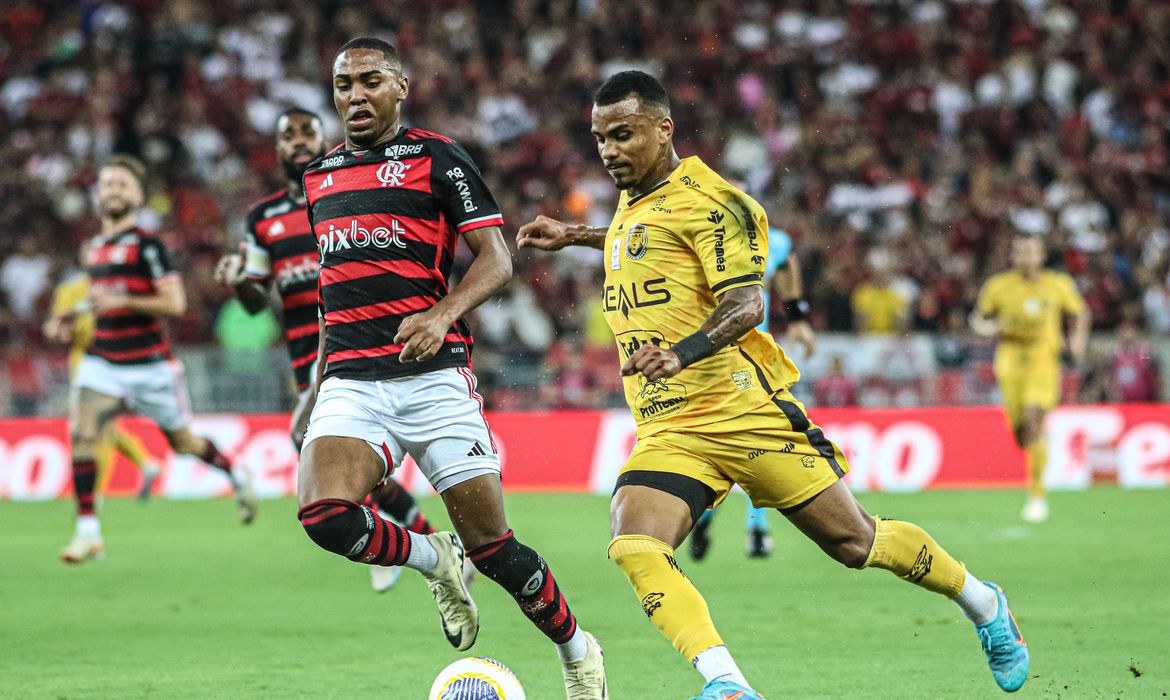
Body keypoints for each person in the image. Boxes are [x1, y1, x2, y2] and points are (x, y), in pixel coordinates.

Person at [517, 70, 1028, 699]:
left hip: (745, 411)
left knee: (855, 543)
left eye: (623, 136)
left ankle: (983, 603)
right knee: (634, 542)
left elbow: (747, 305)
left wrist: (682, 352)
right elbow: (646, 240)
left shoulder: (719, 203)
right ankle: (728, 686)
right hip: (672, 429)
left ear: (664, 129)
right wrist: (576, 236)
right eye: (600, 139)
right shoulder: (635, 199)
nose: (609, 151)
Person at [295, 38, 605, 699]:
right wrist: (314, 383)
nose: (355, 94)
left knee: (495, 549)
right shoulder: (317, 177)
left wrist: (442, 313)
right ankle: (431, 556)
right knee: (324, 515)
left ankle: (578, 651)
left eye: (370, 80)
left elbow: (496, 258)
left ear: (401, 86)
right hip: (352, 380)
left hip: (435, 378)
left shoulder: (438, 159)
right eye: (343, 83)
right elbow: (335, 290)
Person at [213, 107, 448, 594]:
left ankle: (405, 543)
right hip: (306, 358)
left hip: (360, 347)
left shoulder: (348, 190)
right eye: (288, 135)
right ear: (276, 149)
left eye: (307, 132)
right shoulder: (263, 219)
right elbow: (257, 301)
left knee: (326, 450)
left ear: (325, 138)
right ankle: (416, 541)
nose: (298, 141)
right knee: (328, 455)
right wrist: (240, 283)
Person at [62, 154, 257, 564]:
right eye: (107, 184)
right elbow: (100, 301)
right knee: (81, 431)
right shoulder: (93, 248)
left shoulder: (149, 246)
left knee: (183, 443)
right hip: (103, 362)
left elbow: (174, 302)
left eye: (122, 184)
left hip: (151, 366)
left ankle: (237, 474)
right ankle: (87, 531)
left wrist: (123, 299)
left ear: (137, 195)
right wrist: (70, 319)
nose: (113, 190)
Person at [688, 226, 815, 561]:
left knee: (740, 443)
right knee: (755, 443)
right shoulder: (703, 238)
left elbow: (788, 262)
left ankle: (715, 519)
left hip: (753, 359)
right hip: (723, 359)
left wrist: (798, 316)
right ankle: (752, 526)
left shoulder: (769, 238)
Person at [971, 233, 1090, 522]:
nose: (1026, 257)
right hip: (1010, 363)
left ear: (1041, 255)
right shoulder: (999, 286)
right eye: (1020, 251)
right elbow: (979, 318)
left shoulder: (1057, 285)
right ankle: (1035, 446)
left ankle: (1037, 495)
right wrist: (988, 329)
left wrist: (1076, 341)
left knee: (1034, 416)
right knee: (1023, 434)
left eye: (1031, 251)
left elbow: (1080, 313)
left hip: (1043, 360)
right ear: (1013, 256)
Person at [44, 266, 160, 501]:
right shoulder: (90, 289)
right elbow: (56, 327)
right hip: (101, 364)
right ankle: (145, 463)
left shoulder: (97, 289)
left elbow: (57, 328)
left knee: (96, 429)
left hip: (98, 366)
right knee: (102, 428)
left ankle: (96, 491)